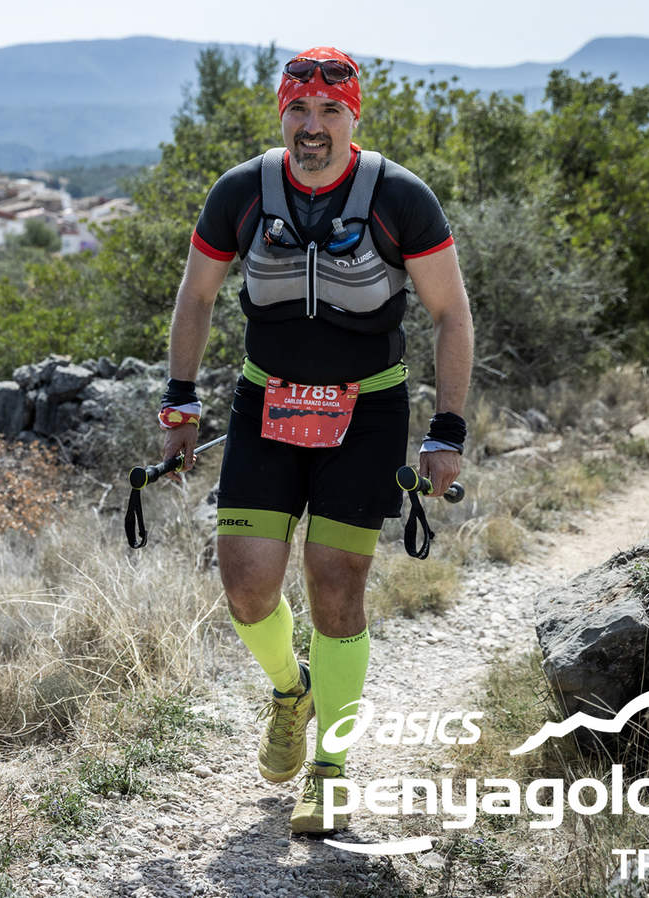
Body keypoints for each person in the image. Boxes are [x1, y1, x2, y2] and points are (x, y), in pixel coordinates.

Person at [159, 46, 473, 835]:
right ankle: (289, 691)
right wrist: (179, 404)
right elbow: (196, 296)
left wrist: (446, 430)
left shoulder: (400, 198)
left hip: (366, 414)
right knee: (246, 587)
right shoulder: (241, 192)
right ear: (282, 115)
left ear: (351, 117)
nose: (312, 125)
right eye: (299, 109)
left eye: (331, 110)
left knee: (336, 588)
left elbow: (451, 314)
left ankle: (330, 769)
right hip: (267, 406)